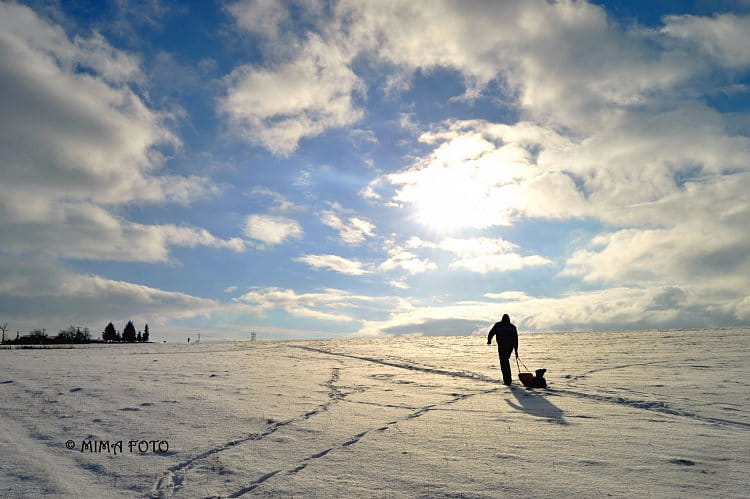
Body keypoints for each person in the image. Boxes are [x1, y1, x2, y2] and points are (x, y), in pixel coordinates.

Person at [487, 314, 518, 385]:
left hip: (502, 346)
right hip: (510, 347)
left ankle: (507, 380)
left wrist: (489, 340)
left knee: (504, 362)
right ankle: (508, 379)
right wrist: (516, 350)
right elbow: (515, 340)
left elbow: (491, 333)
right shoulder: (512, 327)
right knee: (505, 361)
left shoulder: (498, 325)